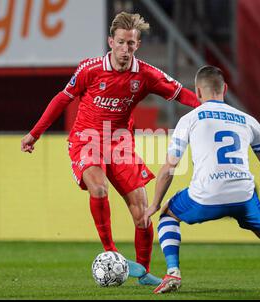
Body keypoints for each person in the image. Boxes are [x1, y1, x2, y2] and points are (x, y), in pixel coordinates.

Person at [20, 12, 200, 285]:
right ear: (110, 42)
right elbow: (61, 99)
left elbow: (180, 93)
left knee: (142, 213)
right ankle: (111, 252)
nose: (125, 49)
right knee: (99, 187)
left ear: (137, 45)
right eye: (121, 42)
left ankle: (142, 271)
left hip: (120, 143)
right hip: (86, 138)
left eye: (131, 44)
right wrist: (35, 134)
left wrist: (211, 107)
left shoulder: (146, 74)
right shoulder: (90, 69)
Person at [144, 65, 260, 294]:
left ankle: (173, 273)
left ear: (198, 92)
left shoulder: (190, 118)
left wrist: (155, 203)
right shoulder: (247, 119)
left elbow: (170, 166)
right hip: (243, 192)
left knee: (169, 213)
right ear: (225, 89)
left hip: (206, 194)